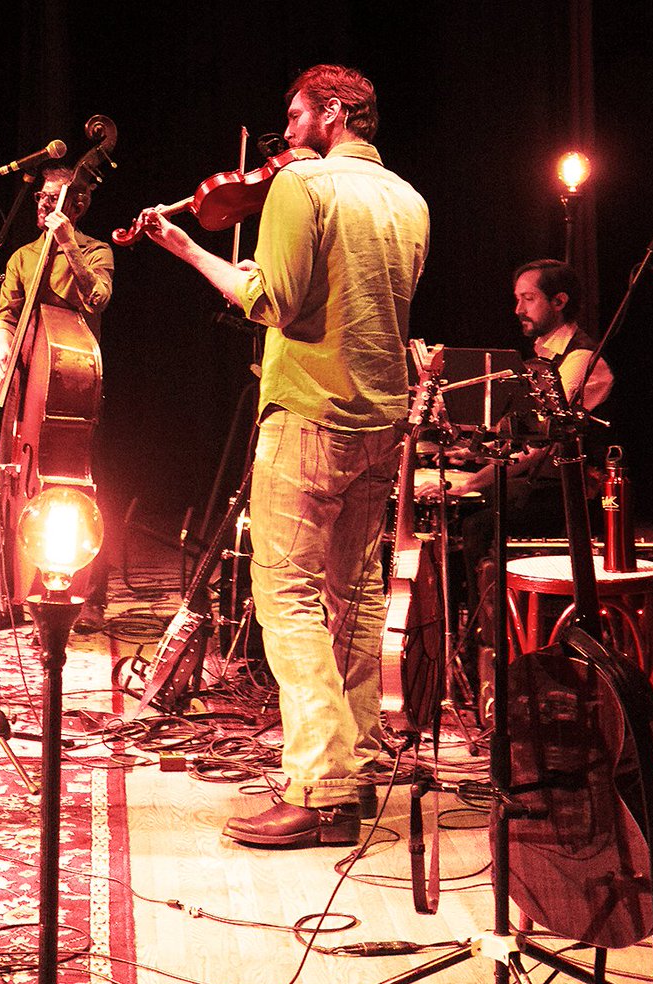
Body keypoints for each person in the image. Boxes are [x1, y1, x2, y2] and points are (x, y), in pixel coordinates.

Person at [138, 64, 430, 848]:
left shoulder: (304, 186)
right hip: (382, 419)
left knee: (288, 596)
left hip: (309, 414)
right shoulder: (410, 199)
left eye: (296, 114)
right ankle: (355, 765)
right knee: (356, 591)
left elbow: (271, 298)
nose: (288, 132)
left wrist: (186, 252)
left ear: (333, 113)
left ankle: (321, 786)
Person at [421, 259, 614, 611]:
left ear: (559, 301)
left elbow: (540, 445)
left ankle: (487, 630)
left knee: (477, 523)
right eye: (517, 298)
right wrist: (473, 452)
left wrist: (469, 483)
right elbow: (522, 435)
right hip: (544, 481)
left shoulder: (579, 359)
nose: (518, 309)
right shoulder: (545, 355)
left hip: (570, 491)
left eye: (528, 298)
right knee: (475, 509)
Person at [0, 163, 114, 634]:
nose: (43, 205)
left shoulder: (96, 250)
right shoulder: (22, 257)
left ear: (77, 204)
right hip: (29, 388)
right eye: (40, 197)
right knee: (13, 484)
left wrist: (67, 246)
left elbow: (97, 298)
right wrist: (2, 345)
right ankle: (14, 593)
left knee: (79, 488)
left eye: (53, 198)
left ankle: (92, 596)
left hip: (74, 385)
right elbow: (7, 313)